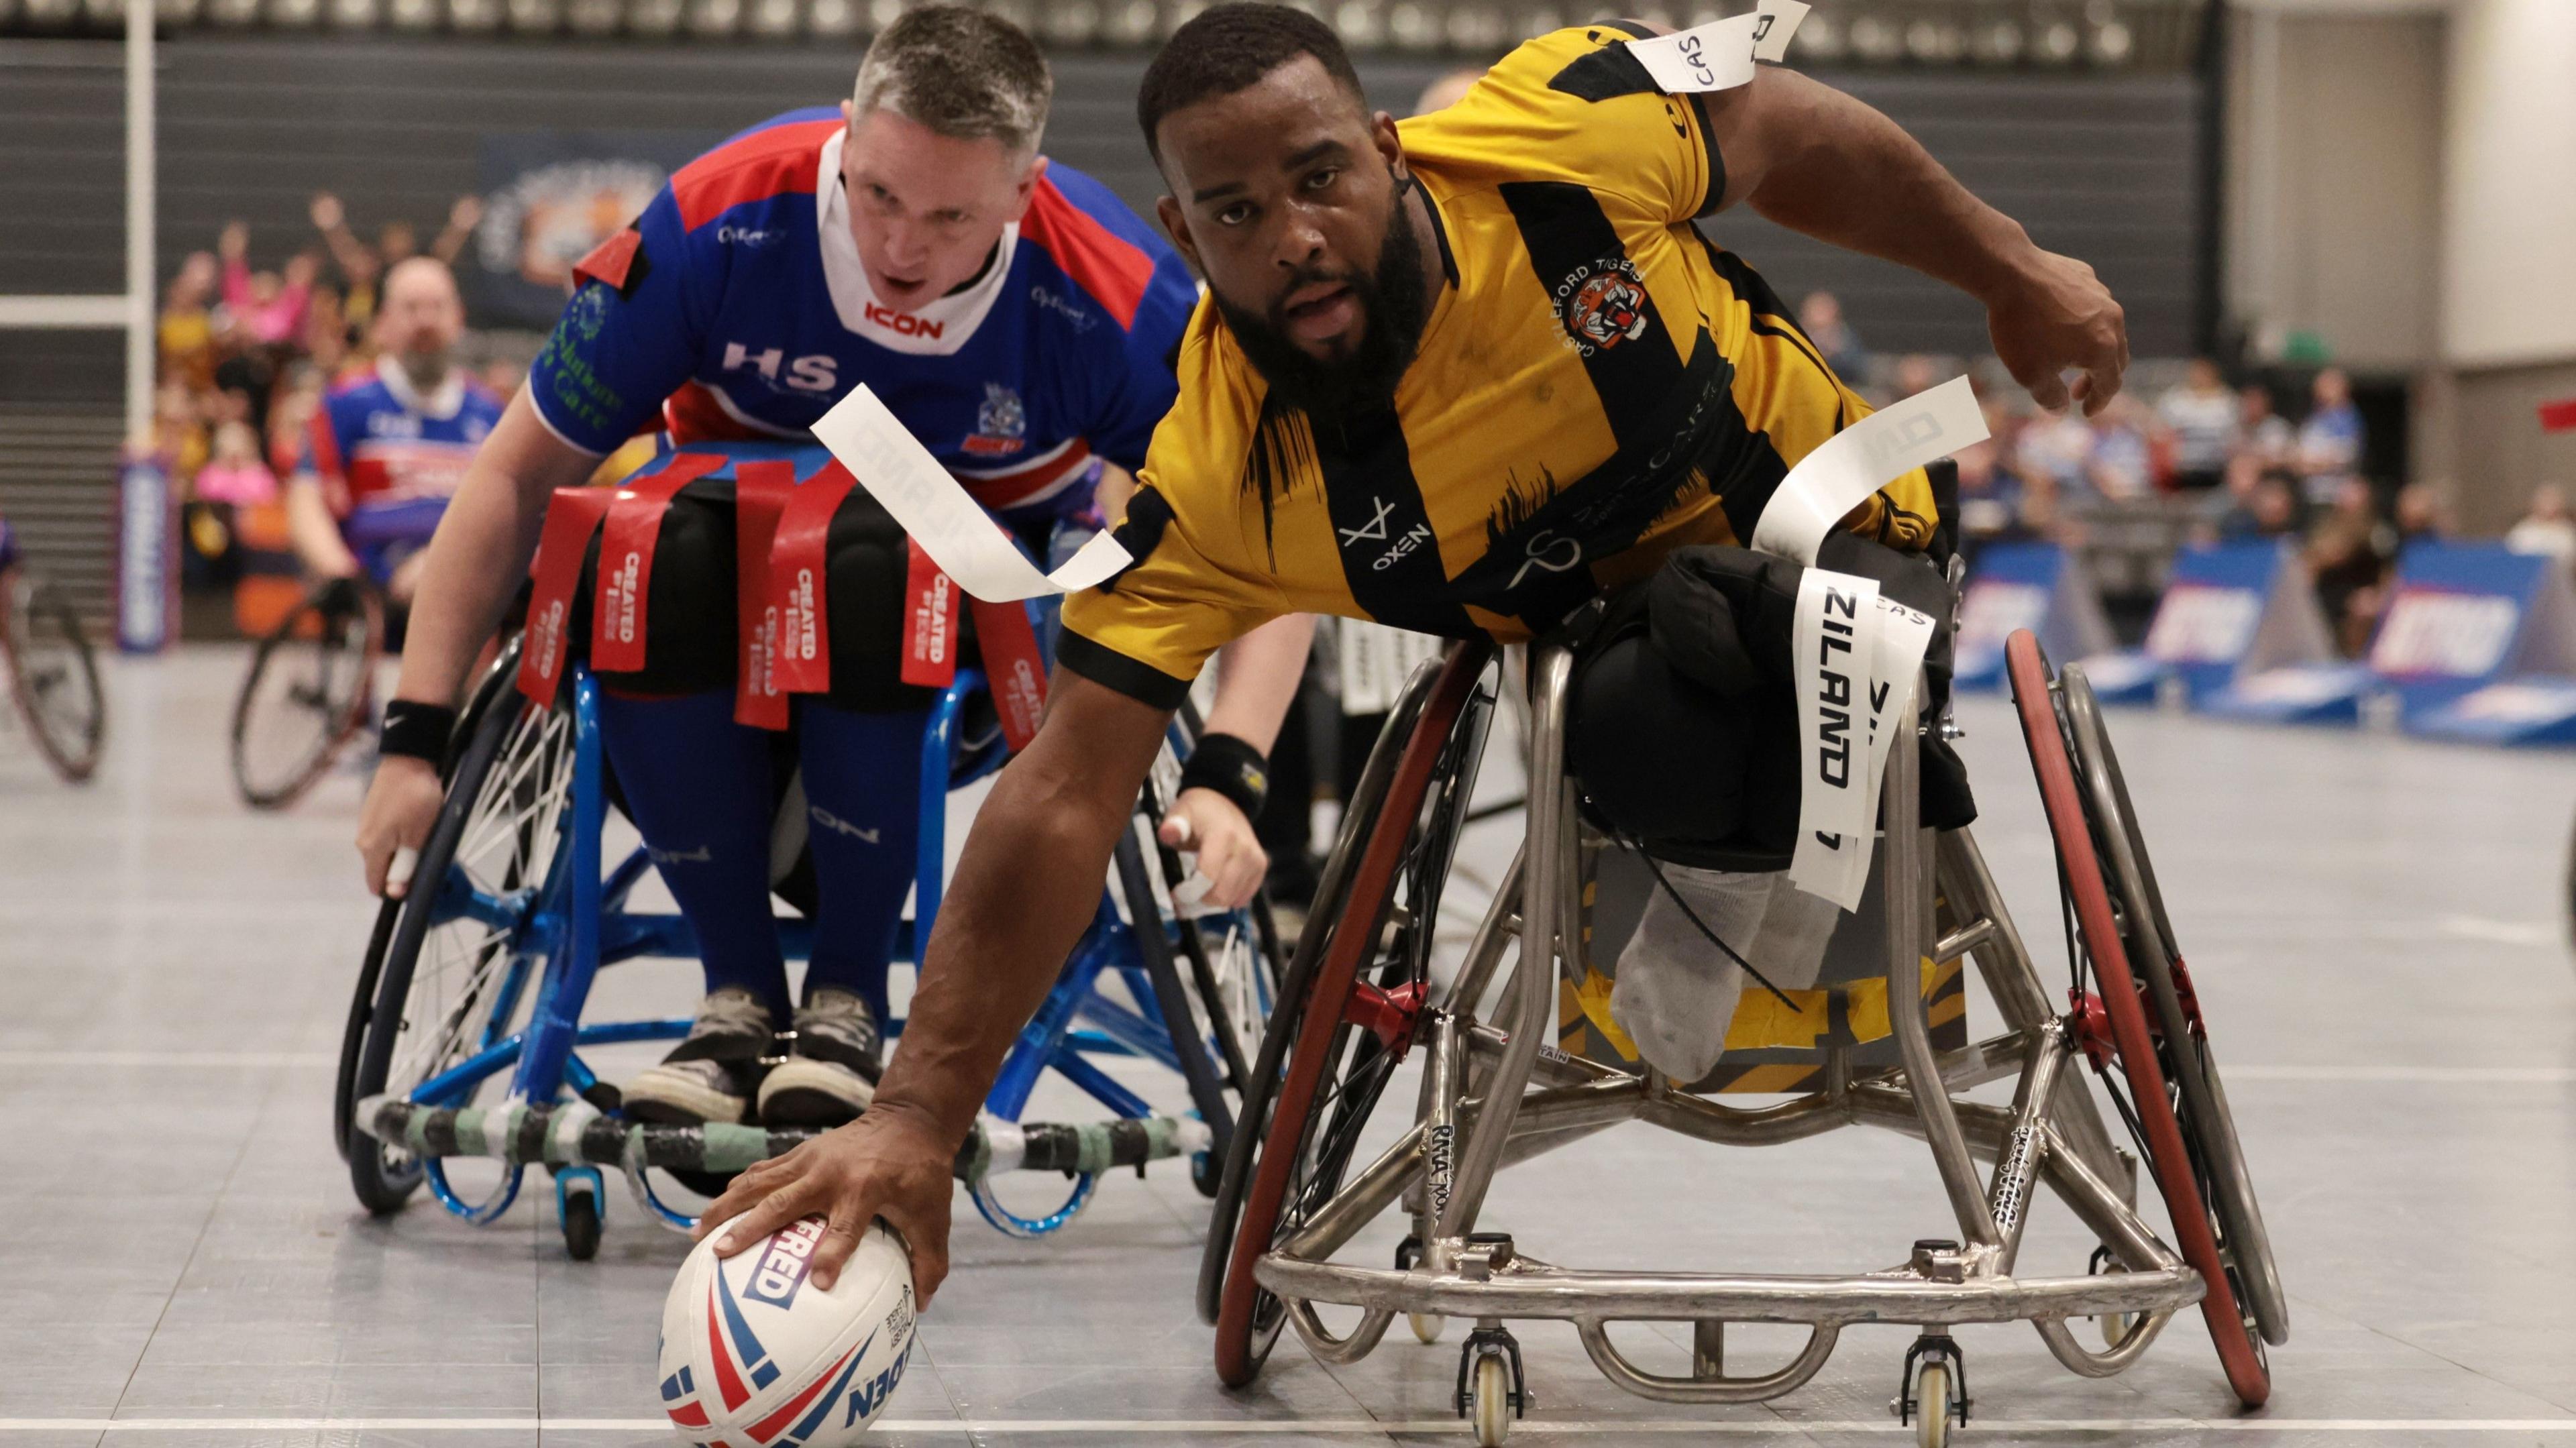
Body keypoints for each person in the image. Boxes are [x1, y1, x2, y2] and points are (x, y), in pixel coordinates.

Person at [692, 4, 2130, 1303]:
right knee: (1658, 705)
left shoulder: (1557, 130)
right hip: (1617, 681)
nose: (1295, 236)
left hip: (1848, 527)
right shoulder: (1222, 471)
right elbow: (1065, 789)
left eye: (1322, 178)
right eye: (1238, 211)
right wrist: (916, 1114)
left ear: (1390, 152)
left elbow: (1775, 122)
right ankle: (1725, 933)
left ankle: (1792, 904)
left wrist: (2009, 269)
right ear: (1185, 240)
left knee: (1723, 639)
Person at [352, 5, 1310, 1135]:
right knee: (638, 546)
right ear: (846, 136)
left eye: (952, 214)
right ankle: (735, 999)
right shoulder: (718, 219)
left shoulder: (1113, 295)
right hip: (704, 604)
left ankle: (849, 1000)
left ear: (1025, 190)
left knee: (866, 557)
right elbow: (513, 474)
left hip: (966, 649)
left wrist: (1232, 767)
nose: (904, 245)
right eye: (879, 194)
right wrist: (413, 739)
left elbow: (1273, 541)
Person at [283, 258, 504, 607]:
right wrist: (339, 573)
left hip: (472, 574)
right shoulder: (345, 402)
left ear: (458, 318)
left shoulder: (491, 412)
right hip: (378, 582)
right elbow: (306, 498)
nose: (426, 320)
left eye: (437, 307)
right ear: (384, 322)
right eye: (411, 308)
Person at [2156, 356, 2235, 492]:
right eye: (2198, 372)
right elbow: (2163, 433)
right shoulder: (2175, 400)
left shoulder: (2228, 402)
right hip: (2183, 468)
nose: (2201, 377)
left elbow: (2233, 437)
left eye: (2206, 372)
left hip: (2218, 467)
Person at [2505, 481, 2576, 565]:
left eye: (2552, 502)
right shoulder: (2523, 531)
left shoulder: (2567, 531)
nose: (2549, 507)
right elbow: (2512, 555)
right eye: (2546, 501)